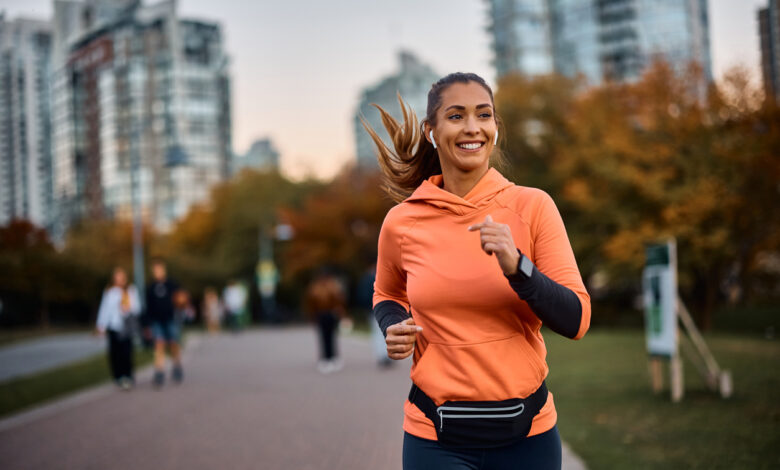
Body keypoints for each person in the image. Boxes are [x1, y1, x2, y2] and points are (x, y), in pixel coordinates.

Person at [365, 73, 591, 469]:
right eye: (456, 116)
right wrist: (394, 324)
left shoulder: (533, 206)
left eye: (483, 115)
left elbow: (576, 319)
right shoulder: (402, 222)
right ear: (432, 131)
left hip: (529, 437)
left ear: (495, 129)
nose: (472, 127)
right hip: (434, 437)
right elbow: (387, 294)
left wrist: (519, 268)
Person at [96, 267, 140, 390]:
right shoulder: (110, 291)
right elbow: (104, 309)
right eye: (117, 276)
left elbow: (137, 308)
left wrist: (128, 308)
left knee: (127, 352)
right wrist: (101, 325)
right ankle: (118, 376)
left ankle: (128, 376)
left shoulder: (131, 290)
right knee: (115, 353)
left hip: (126, 326)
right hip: (114, 326)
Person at [146, 259, 183, 388]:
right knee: (159, 344)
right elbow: (148, 307)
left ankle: (177, 366)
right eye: (155, 270)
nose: (157, 272)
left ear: (164, 269)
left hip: (171, 318)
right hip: (157, 320)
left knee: (173, 344)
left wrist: (181, 302)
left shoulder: (171, 284)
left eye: (159, 269)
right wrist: (147, 324)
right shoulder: (151, 287)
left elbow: (181, 298)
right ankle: (159, 371)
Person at [304, 271, 348, 374]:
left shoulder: (315, 288)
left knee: (325, 337)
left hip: (323, 315)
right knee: (330, 337)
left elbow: (311, 303)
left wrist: (312, 316)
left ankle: (327, 358)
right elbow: (339, 300)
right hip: (328, 315)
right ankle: (330, 357)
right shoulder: (332, 287)